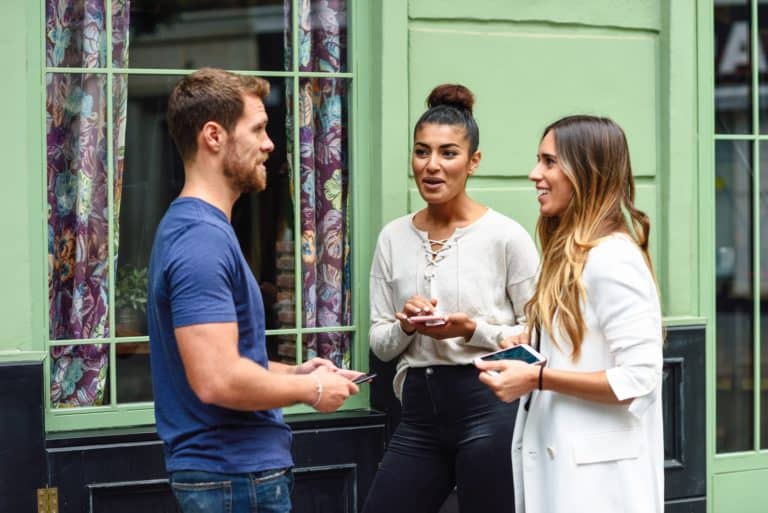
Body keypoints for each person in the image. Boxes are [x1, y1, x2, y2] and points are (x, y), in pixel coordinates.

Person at [147, 68, 361, 513]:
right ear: (214, 136)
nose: (269, 144)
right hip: (232, 481)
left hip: (232, 478)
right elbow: (217, 379)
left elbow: (228, 360)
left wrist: (297, 374)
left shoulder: (199, 229)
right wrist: (312, 392)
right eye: (259, 129)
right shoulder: (200, 240)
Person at [362, 84, 539, 513]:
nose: (432, 166)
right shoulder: (393, 237)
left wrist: (473, 329)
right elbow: (380, 342)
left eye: (448, 153)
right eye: (422, 152)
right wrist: (405, 324)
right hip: (419, 411)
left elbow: (537, 331)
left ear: (473, 161)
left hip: (488, 404)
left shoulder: (505, 236)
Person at [475, 115, 664, 513]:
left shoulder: (613, 258)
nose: (534, 174)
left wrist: (537, 377)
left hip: (598, 487)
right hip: (564, 474)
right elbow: (584, 338)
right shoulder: (572, 253)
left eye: (549, 162)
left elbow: (638, 377)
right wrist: (530, 339)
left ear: (586, 172)